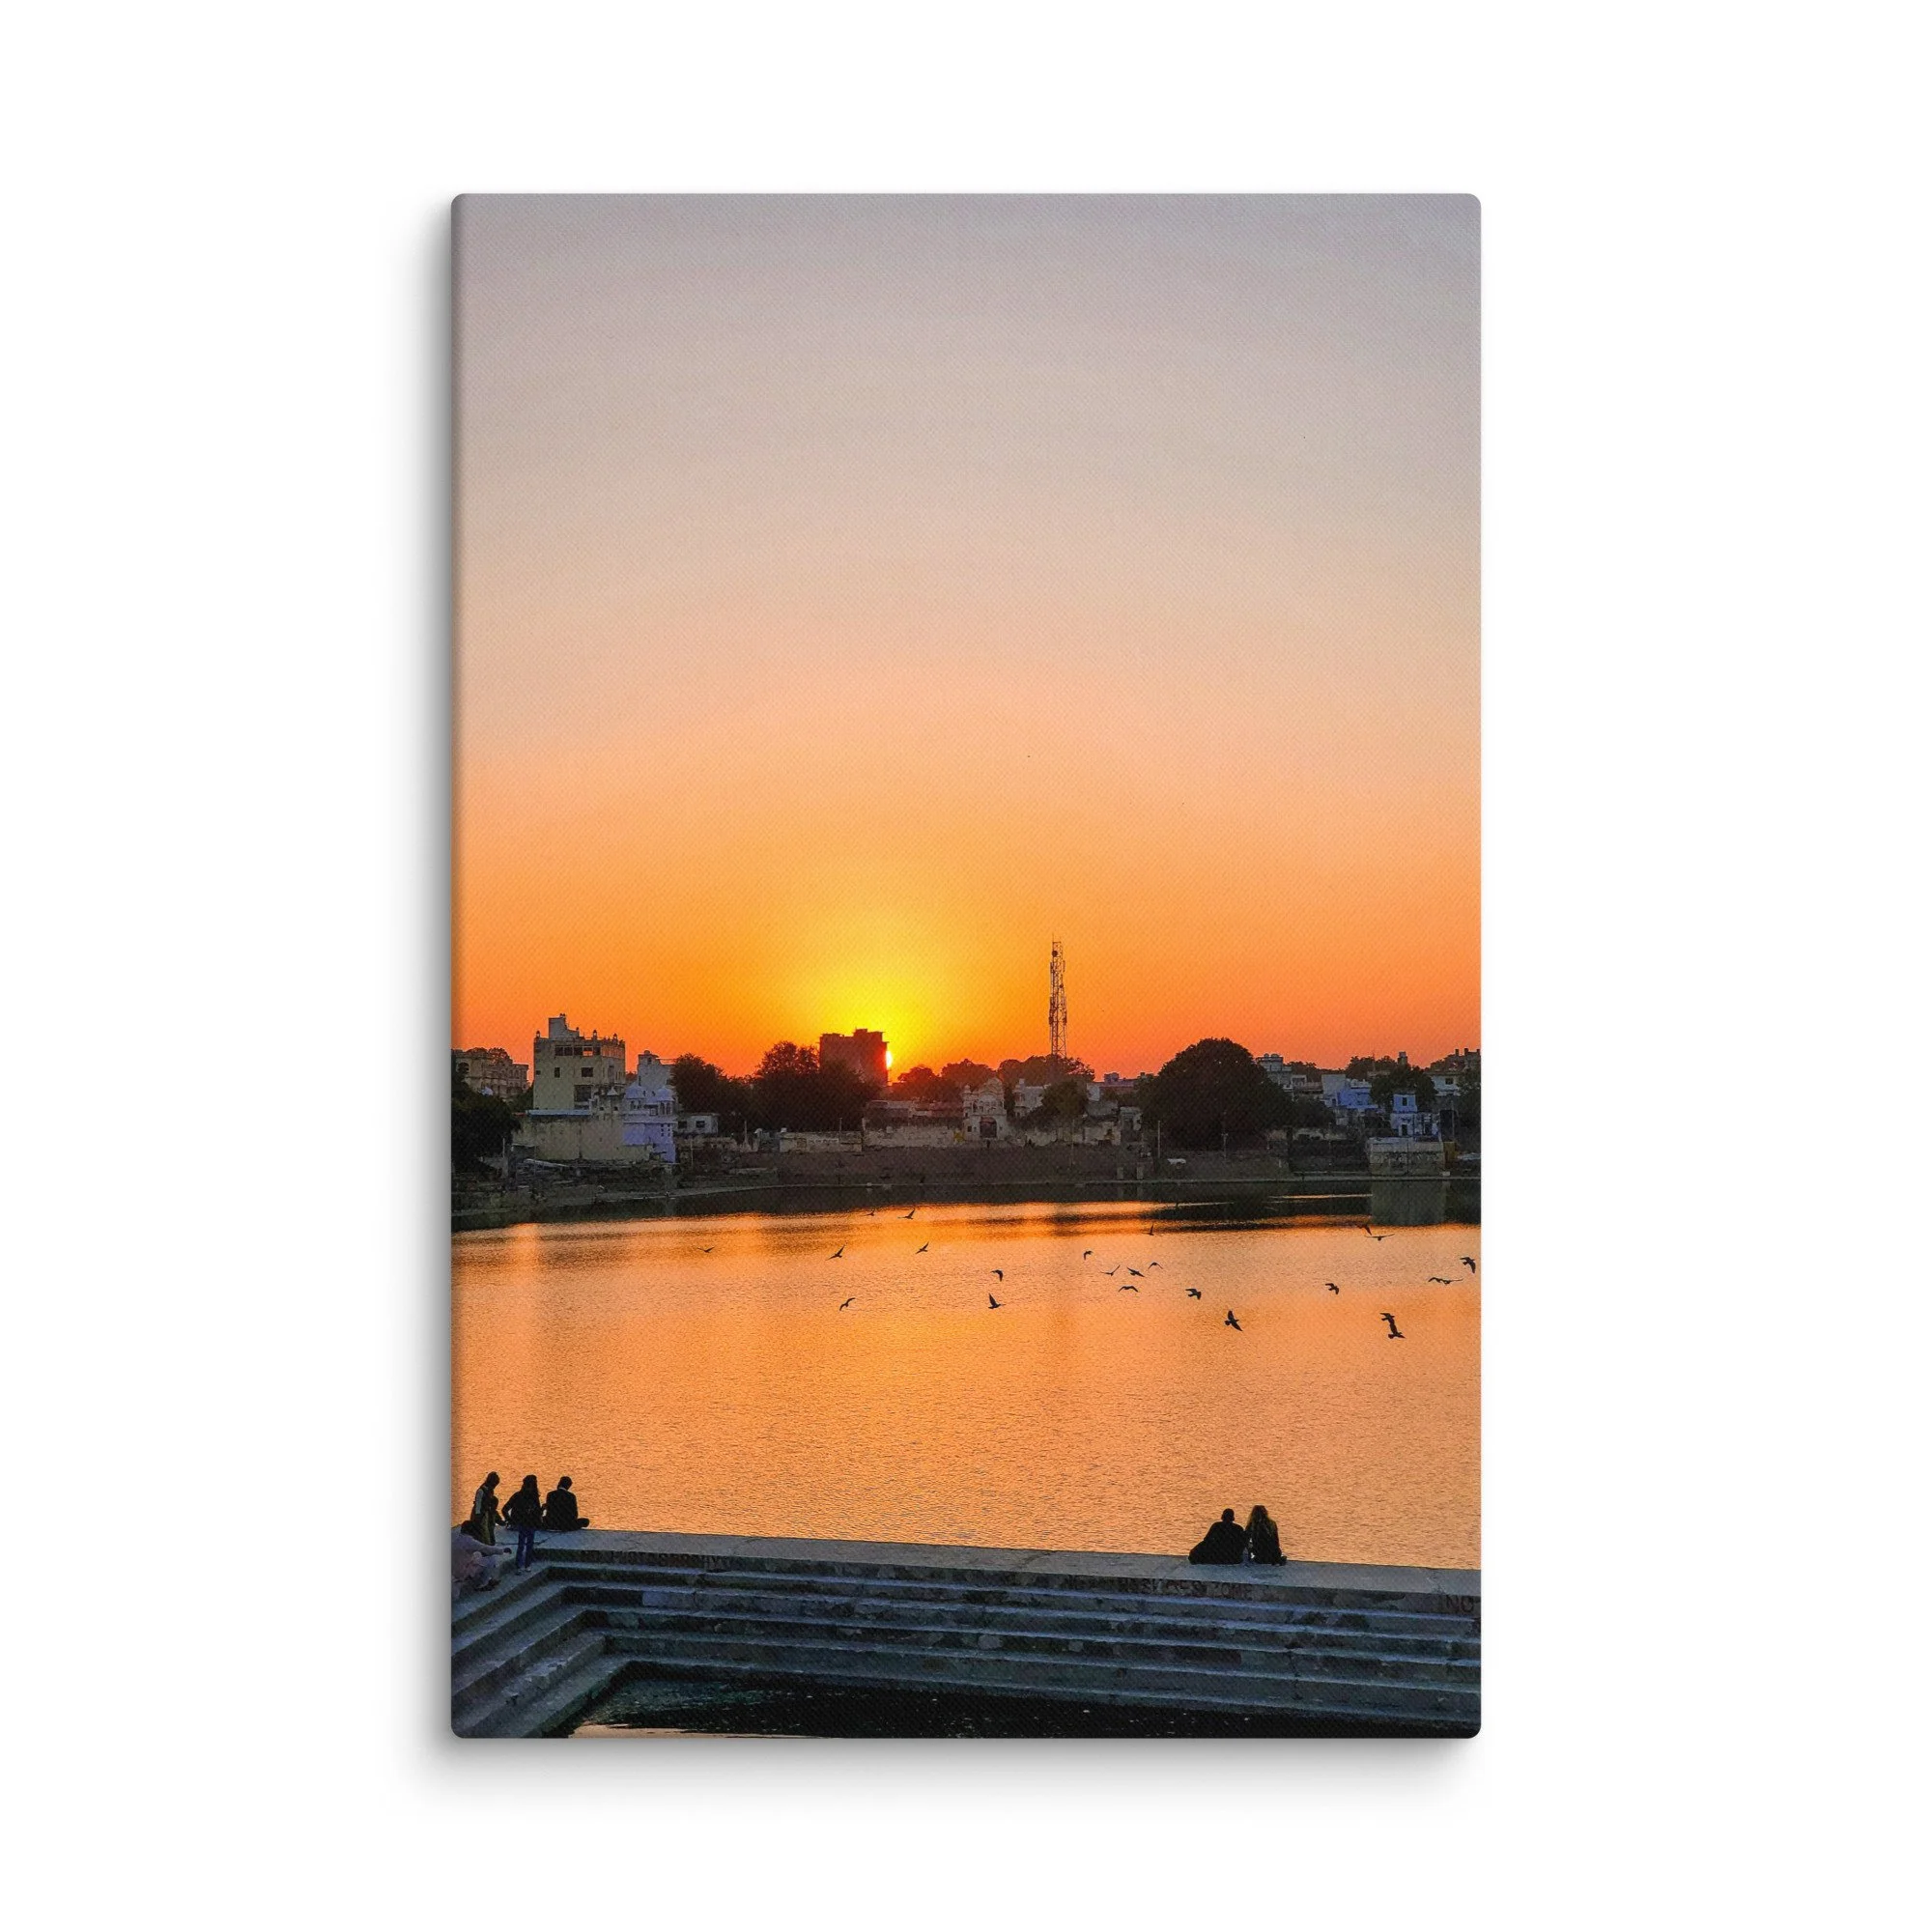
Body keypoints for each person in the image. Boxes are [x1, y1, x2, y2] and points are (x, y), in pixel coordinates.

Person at [502, 1474, 543, 1573]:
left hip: (528, 1523)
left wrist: (510, 1520)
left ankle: (522, 1565)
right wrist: (511, 1521)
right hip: (525, 1523)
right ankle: (523, 1565)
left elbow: (505, 1509)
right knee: (525, 1545)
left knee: (526, 1545)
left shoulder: (520, 1496)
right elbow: (505, 1509)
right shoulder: (527, 1497)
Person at [468, 1471, 502, 1546]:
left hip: (486, 1513)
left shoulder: (490, 1490)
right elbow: (478, 1506)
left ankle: (489, 1544)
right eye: (495, 1484)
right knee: (482, 1534)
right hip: (480, 1514)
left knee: (489, 1532)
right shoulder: (481, 1491)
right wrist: (478, 1518)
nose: (495, 1486)